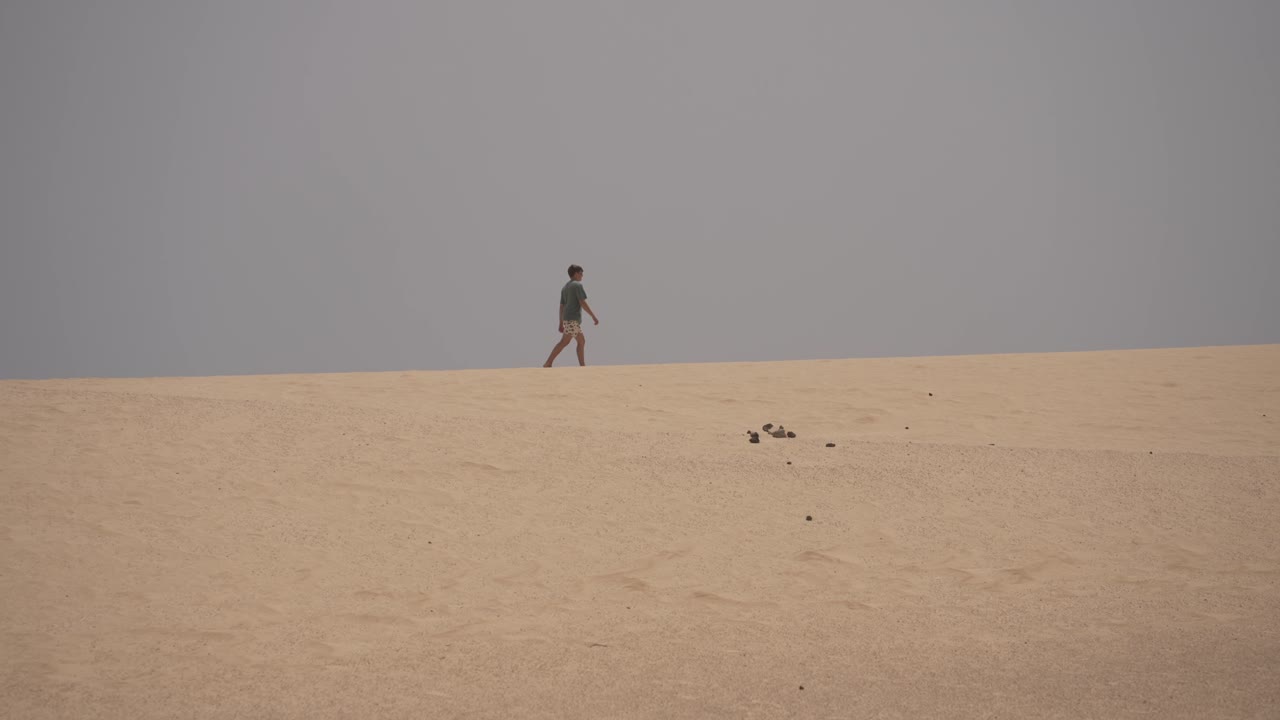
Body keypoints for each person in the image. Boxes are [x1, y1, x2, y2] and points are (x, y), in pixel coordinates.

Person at [544, 264, 599, 367]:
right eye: (581, 273)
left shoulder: (565, 288)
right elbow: (582, 302)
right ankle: (582, 366)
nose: (582, 275)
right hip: (572, 319)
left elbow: (561, 306)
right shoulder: (577, 285)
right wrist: (593, 316)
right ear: (575, 274)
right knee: (580, 341)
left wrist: (561, 322)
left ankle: (548, 363)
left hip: (567, 319)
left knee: (565, 342)